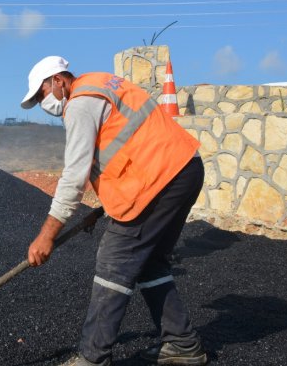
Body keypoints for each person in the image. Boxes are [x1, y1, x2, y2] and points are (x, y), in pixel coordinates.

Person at [21, 56, 207, 366]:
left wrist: (46, 236)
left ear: (58, 80)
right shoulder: (100, 82)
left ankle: (93, 357)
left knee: (114, 259)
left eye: (42, 94)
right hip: (183, 168)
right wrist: (105, 207)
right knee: (148, 261)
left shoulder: (79, 104)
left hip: (159, 178)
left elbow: (73, 176)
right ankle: (183, 345)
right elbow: (124, 145)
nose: (44, 103)